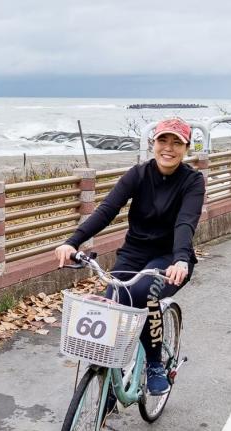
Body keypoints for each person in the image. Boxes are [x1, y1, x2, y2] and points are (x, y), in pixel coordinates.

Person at [54, 117, 205, 396]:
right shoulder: (138, 174)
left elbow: (186, 222)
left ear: (186, 148)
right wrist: (72, 242)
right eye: (163, 140)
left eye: (176, 142)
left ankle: (155, 364)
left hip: (170, 258)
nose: (168, 148)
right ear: (153, 143)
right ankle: (111, 372)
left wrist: (181, 259)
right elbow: (107, 209)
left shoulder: (192, 181)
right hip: (134, 253)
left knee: (143, 293)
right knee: (114, 300)